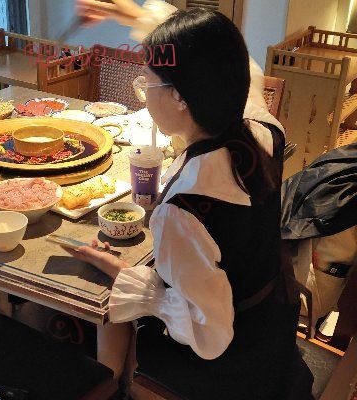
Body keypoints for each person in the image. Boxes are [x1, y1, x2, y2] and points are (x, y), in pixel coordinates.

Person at [63, 2, 314, 399]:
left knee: (107, 317)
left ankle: (116, 386)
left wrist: (136, 284)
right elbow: (228, 60)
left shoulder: (183, 209)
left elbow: (209, 332)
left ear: (180, 97)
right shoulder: (262, 129)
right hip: (274, 326)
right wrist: (135, 15)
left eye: (148, 84)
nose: (145, 97)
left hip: (232, 367)